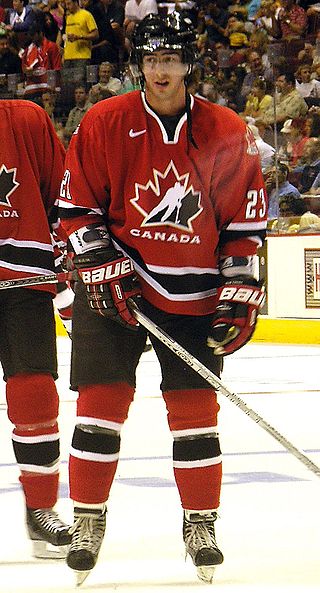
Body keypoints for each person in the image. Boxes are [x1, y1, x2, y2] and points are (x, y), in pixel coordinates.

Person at [58, 12, 267, 586]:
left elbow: (244, 227)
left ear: (188, 64)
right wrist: (102, 268)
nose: (159, 69)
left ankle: (200, 523)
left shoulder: (228, 130)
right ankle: (87, 520)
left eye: (169, 59)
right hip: (117, 294)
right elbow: (77, 210)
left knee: (196, 420)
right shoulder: (103, 122)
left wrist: (238, 291)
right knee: (98, 411)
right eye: (150, 60)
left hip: (194, 296)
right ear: (138, 65)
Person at [0, 100, 71, 558]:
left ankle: (41, 507)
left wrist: (67, 269)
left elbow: (63, 196)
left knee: (34, 394)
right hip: (28, 275)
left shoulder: (25, 119)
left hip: (25, 278)